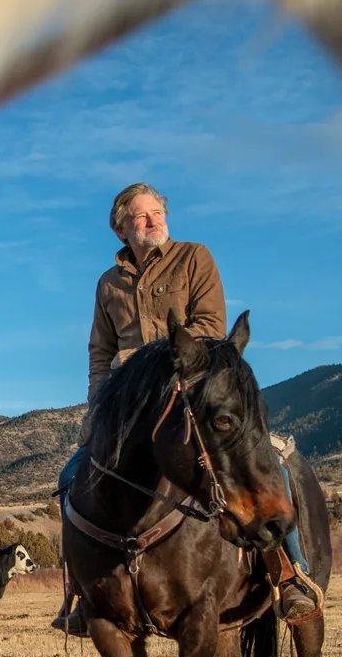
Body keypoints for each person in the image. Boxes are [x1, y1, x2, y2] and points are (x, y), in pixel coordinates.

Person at [53, 182, 320, 632]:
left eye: (157, 212)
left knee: (271, 461)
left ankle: (289, 572)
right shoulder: (108, 284)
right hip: (134, 410)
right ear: (121, 229)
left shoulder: (194, 257)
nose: (153, 221)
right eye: (141, 216)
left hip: (196, 388)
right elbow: (101, 353)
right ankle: (82, 593)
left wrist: (138, 361)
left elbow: (212, 326)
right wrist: (97, 410)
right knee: (72, 475)